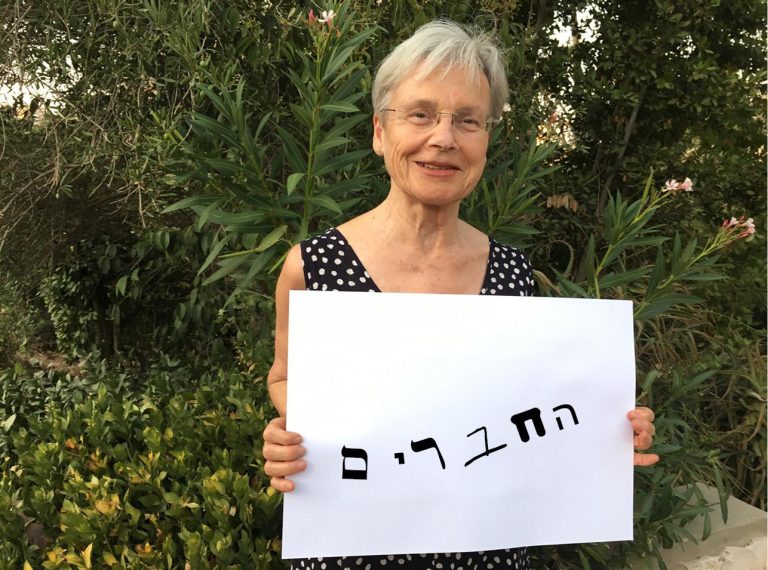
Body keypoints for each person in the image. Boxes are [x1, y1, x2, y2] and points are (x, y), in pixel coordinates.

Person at [262, 19, 659, 570]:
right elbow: (284, 378)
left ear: (485, 141)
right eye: (420, 114)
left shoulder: (512, 274)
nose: (444, 138)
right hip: (353, 547)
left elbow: (531, 407)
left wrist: (606, 429)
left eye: (468, 120)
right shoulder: (312, 266)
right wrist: (296, 434)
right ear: (380, 131)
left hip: (486, 552)